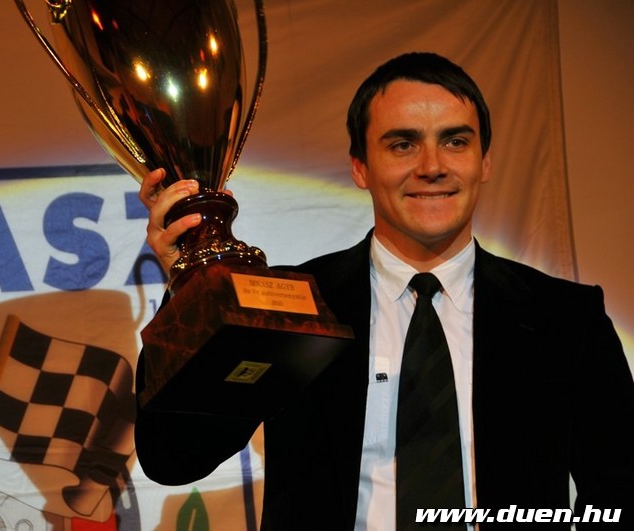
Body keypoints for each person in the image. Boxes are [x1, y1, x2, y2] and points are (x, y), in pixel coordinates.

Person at [133, 52, 634, 530]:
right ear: (360, 167)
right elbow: (175, 458)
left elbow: (621, 491)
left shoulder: (567, 318)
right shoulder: (287, 305)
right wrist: (193, 289)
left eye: (456, 141)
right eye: (402, 145)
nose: (432, 165)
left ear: (485, 161)